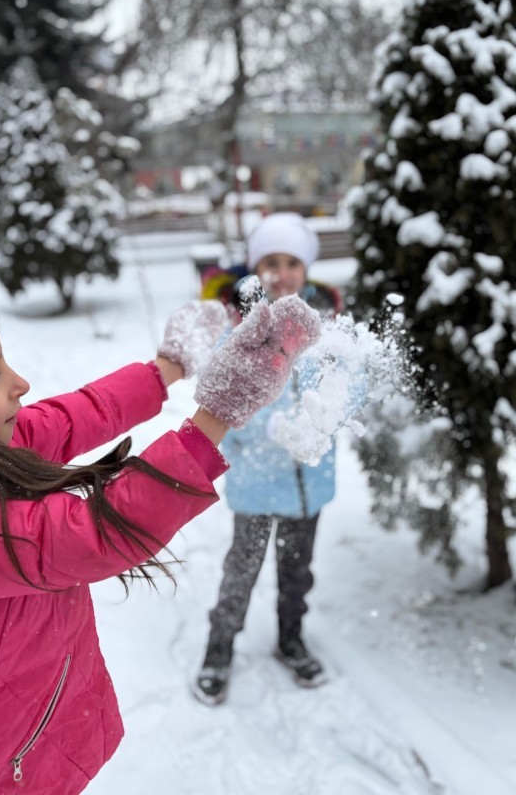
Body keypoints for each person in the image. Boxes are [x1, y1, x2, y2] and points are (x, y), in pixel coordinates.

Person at [0, 284, 320, 795]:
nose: (21, 384)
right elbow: (92, 532)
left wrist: (168, 367)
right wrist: (215, 415)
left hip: (31, 730)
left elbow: (76, 415)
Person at [193, 212, 342, 706]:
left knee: (298, 573)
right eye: (271, 262)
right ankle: (219, 647)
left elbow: (349, 386)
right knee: (243, 570)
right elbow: (223, 396)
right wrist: (274, 426)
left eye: (292, 262)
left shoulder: (327, 329)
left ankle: (291, 638)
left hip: (308, 488)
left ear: (307, 270)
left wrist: (324, 421)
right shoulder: (241, 331)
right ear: (256, 268)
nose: (282, 272)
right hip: (257, 485)